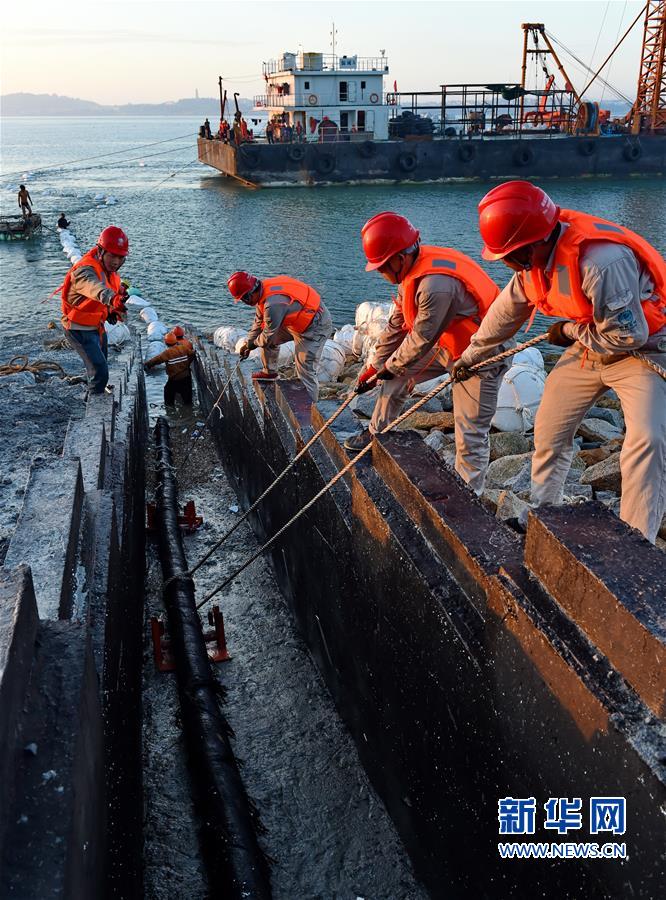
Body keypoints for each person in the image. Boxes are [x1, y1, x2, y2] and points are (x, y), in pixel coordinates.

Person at [452, 180, 666, 542]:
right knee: (549, 429)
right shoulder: (530, 265)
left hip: (640, 352)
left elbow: (628, 337)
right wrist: (472, 354)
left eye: (509, 255)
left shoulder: (602, 262)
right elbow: (505, 314)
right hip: (589, 346)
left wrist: (568, 332)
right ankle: (545, 514)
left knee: (646, 440)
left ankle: (636, 543)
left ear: (533, 243)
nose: (505, 263)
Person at [343, 212, 505, 496]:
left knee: (470, 432)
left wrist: (390, 367)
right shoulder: (411, 272)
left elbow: (420, 339)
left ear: (399, 258)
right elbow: (397, 324)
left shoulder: (436, 285)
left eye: (382, 266)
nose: (380, 273)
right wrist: (374, 366)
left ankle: (469, 497)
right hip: (446, 343)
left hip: (481, 355)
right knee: (392, 377)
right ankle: (376, 435)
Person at [227, 270, 333, 402]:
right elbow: (258, 323)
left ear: (249, 294)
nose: (244, 302)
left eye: (244, 299)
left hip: (315, 325)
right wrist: (248, 343)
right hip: (297, 321)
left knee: (305, 370)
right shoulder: (262, 293)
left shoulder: (273, 304)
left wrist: (252, 345)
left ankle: (309, 410)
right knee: (265, 338)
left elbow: (268, 336)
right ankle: (269, 373)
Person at [58, 226, 129, 395]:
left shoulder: (109, 270)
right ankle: (95, 405)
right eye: (112, 255)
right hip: (79, 329)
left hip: (96, 326)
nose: (116, 262)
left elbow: (102, 295)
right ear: (100, 250)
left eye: (120, 257)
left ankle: (95, 390)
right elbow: (94, 288)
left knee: (101, 363)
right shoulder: (85, 270)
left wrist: (111, 311)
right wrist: (112, 299)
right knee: (100, 371)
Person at [144, 331, 195, 407]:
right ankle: (189, 412)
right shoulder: (184, 348)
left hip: (175, 378)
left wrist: (147, 365)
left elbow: (157, 360)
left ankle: (170, 410)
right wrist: (187, 363)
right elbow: (192, 354)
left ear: (166, 343)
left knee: (168, 394)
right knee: (187, 399)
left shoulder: (167, 353)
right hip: (187, 377)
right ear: (175, 341)